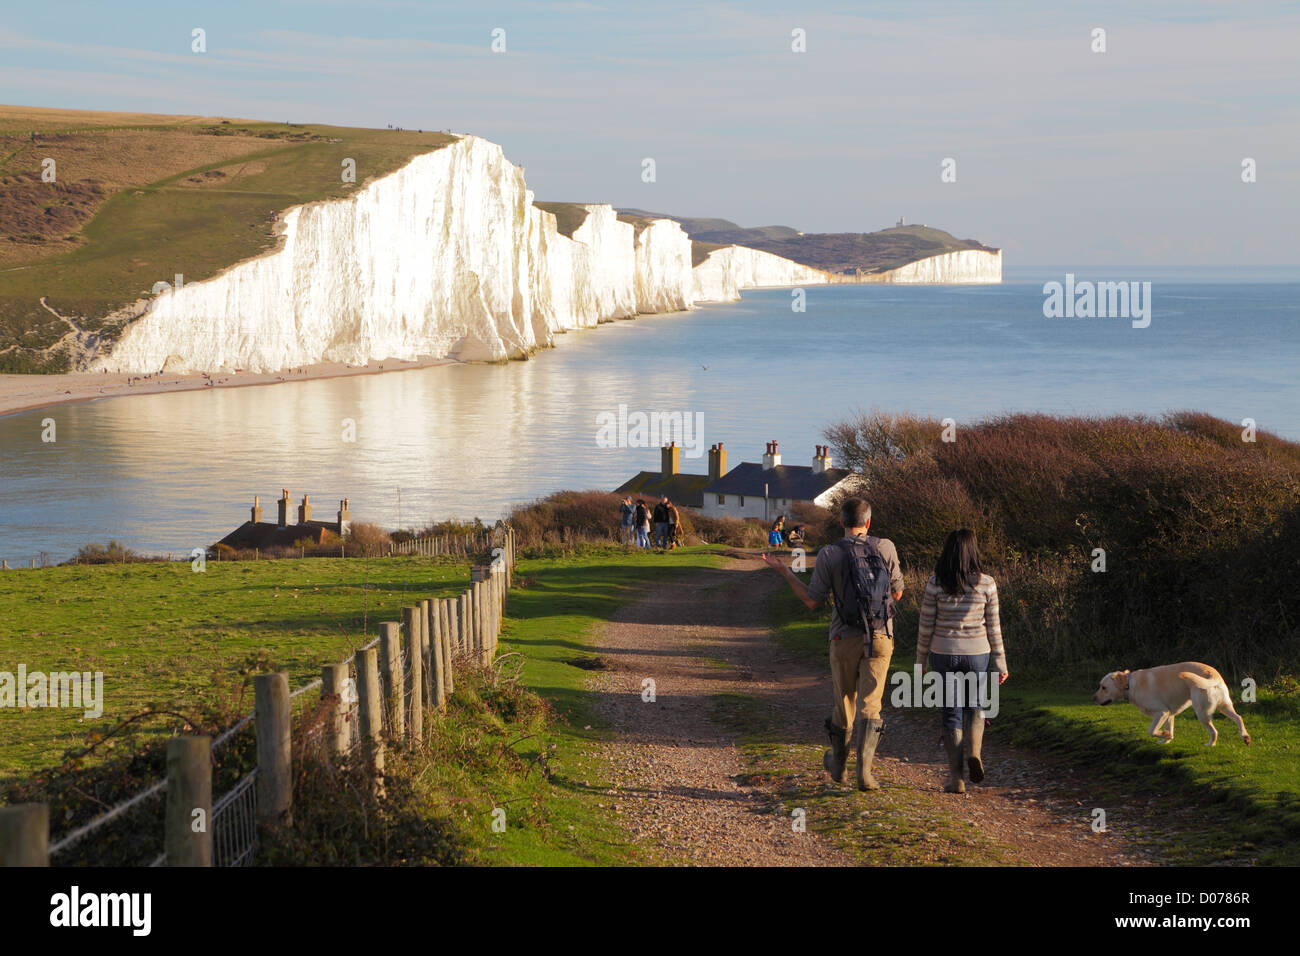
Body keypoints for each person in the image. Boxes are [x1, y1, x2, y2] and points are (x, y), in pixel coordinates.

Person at [762, 498, 904, 791]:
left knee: (844, 701)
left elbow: (812, 600)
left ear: (841, 522)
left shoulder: (829, 553)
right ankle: (864, 772)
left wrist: (785, 572)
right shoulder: (886, 547)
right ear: (868, 522)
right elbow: (898, 594)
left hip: (843, 637)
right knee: (871, 703)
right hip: (880, 636)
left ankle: (839, 764)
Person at [915, 529, 1008, 794]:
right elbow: (994, 627)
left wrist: (920, 661)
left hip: (943, 652)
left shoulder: (935, 582)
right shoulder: (987, 584)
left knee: (951, 711)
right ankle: (975, 752)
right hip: (977, 653)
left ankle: (956, 778)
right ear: (974, 551)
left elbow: (925, 625)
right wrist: (1001, 662)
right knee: (975, 705)